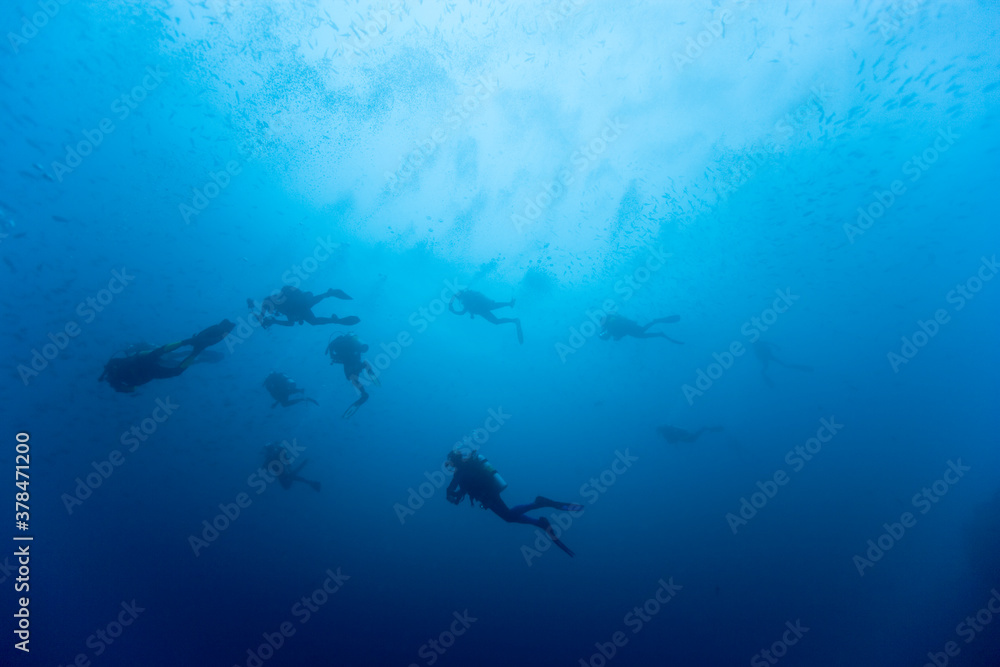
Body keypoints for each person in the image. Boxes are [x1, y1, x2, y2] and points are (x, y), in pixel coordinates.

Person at [445, 449, 582, 557]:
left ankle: (540, 504)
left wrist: (449, 494)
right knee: (508, 517)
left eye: (450, 462)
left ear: (454, 461)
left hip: (489, 495)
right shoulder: (465, 469)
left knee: (509, 516)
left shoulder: (461, 471)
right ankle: (540, 521)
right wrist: (456, 497)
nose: (450, 466)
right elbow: (463, 490)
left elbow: (451, 488)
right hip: (488, 494)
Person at [98, 319, 235, 393]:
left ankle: (196, 351)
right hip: (143, 362)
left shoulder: (114, 380)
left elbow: (131, 389)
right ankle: (188, 343)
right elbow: (134, 356)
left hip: (147, 371)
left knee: (176, 370)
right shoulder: (114, 364)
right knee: (165, 352)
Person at [248, 286, 360, 329]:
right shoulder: (271, 301)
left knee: (313, 318)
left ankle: (335, 320)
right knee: (311, 311)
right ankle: (328, 295)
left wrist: (274, 321)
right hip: (301, 304)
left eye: (270, 310)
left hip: (298, 306)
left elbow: (290, 323)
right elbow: (262, 316)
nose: (271, 312)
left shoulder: (267, 302)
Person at [326, 333, 379, 418]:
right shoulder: (351, 342)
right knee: (354, 374)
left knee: (351, 377)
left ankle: (364, 393)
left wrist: (334, 357)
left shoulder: (337, 343)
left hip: (348, 360)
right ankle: (365, 366)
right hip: (355, 357)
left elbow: (333, 354)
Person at [448, 289, 523, 344]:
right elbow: (456, 298)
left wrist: (453, 311)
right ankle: (510, 306)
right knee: (495, 308)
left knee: (496, 320)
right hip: (484, 307)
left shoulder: (466, 299)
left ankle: (514, 319)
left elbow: (462, 312)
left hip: (482, 310)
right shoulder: (468, 295)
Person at [599, 314, 683, 344]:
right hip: (630, 327)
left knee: (642, 334)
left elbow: (621, 332)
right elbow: (621, 332)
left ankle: (658, 330)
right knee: (642, 332)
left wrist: (617, 337)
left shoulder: (610, 328)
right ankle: (657, 327)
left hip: (630, 329)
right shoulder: (610, 327)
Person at [658, 425, 724, 443]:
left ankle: (710, 429)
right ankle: (711, 429)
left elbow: (676, 438)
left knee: (699, 433)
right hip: (687, 437)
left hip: (688, 438)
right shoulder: (668, 431)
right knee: (699, 433)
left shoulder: (667, 432)